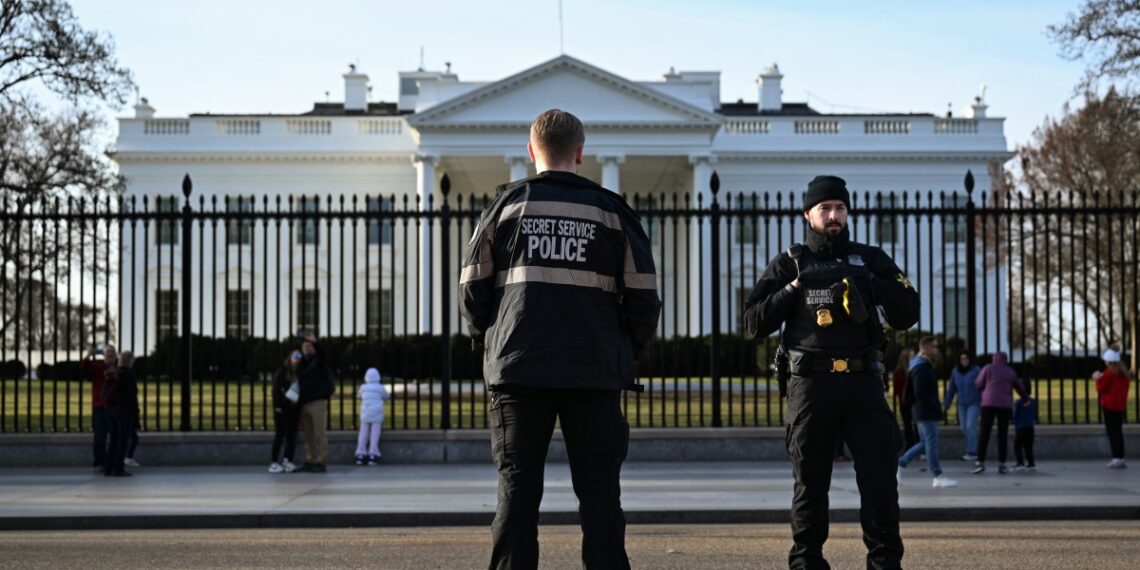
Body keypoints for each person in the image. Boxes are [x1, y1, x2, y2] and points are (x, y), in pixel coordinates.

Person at [460, 109, 661, 570]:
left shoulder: (504, 208)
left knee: (517, 493)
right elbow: (645, 299)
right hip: (593, 372)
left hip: (518, 369)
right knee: (600, 497)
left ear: (531, 152)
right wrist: (621, 349)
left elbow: (472, 292)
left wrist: (491, 342)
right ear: (581, 153)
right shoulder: (612, 212)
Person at [743, 175, 919, 569]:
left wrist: (871, 284)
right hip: (811, 385)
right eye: (825, 208)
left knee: (879, 482)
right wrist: (791, 290)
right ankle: (806, 562)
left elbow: (908, 312)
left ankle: (885, 562)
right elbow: (753, 321)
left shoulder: (870, 258)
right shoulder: (791, 260)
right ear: (808, 214)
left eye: (839, 207)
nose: (833, 215)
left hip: (862, 383)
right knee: (810, 484)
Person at [897, 337, 958, 488]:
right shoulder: (921, 367)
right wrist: (933, 405)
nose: (937, 349)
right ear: (925, 348)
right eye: (934, 347)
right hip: (926, 411)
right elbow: (920, 391)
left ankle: (899, 464)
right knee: (931, 444)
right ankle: (938, 476)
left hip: (923, 410)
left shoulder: (919, 365)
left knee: (925, 443)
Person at [972, 352, 1027, 475]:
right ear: (1005, 360)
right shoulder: (1010, 371)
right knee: (1002, 434)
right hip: (1004, 405)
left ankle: (980, 462)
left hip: (988, 403)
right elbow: (1019, 387)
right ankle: (1001, 464)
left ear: (993, 359)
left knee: (984, 433)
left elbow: (978, 384)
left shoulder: (987, 368)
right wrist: (1025, 399)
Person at [296, 332, 335, 473]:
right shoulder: (303, 364)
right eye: (304, 347)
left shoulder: (318, 362)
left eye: (309, 347)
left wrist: (316, 342)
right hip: (305, 403)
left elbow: (322, 355)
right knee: (309, 435)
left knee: (319, 433)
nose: (306, 349)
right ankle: (311, 459)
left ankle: (320, 461)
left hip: (317, 401)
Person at [80, 344, 117, 472]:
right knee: (100, 436)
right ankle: (99, 462)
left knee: (115, 436)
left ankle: (112, 461)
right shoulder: (99, 367)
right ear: (104, 355)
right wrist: (89, 355)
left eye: (112, 352)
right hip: (100, 405)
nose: (111, 355)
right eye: (108, 353)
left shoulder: (118, 368)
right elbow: (84, 368)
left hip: (114, 406)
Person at [1094, 348, 1131, 469]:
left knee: (1112, 432)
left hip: (1109, 406)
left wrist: (1097, 378)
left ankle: (1116, 457)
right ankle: (1120, 457)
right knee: (1118, 432)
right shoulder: (1123, 373)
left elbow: (1100, 388)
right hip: (1120, 405)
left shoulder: (1109, 373)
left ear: (1109, 362)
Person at [944, 350, 982, 461]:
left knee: (970, 426)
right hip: (961, 403)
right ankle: (970, 449)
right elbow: (951, 389)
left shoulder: (976, 370)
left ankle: (972, 451)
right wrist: (947, 403)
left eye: (966, 358)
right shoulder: (955, 371)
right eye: (962, 359)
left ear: (970, 360)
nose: (964, 361)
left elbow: (981, 386)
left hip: (974, 402)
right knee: (964, 427)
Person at [269, 351, 303, 474]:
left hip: (294, 408)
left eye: (299, 358)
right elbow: (275, 390)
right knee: (280, 435)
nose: (297, 360)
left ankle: (287, 460)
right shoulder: (281, 372)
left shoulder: (300, 373)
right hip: (282, 408)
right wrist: (277, 405)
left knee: (291, 436)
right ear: (290, 359)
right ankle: (273, 462)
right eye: (295, 358)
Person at [101, 356, 131, 477]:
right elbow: (130, 397)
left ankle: (109, 467)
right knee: (122, 441)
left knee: (113, 440)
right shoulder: (127, 375)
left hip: (111, 411)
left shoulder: (112, 375)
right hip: (123, 411)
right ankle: (118, 468)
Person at [355, 367, 389, 466]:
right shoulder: (380, 387)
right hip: (377, 414)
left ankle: (360, 453)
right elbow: (386, 396)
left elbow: (359, 396)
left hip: (365, 414)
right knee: (375, 433)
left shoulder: (363, 387)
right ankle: (373, 454)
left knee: (363, 432)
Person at [118, 351, 141, 470]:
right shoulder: (128, 375)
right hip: (126, 411)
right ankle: (124, 460)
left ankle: (124, 459)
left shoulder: (118, 373)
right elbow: (131, 397)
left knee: (125, 438)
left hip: (119, 411)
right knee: (127, 438)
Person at [890, 349, 917, 450]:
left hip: (905, 402)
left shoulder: (907, 370)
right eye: (912, 356)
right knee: (910, 426)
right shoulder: (902, 372)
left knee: (909, 426)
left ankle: (910, 447)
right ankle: (912, 447)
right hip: (908, 402)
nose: (914, 358)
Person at [1012, 380, 1038, 472]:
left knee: (1017, 446)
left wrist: (1015, 428)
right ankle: (1031, 463)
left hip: (1021, 428)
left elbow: (1016, 416)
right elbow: (1034, 414)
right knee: (1028, 447)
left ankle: (1020, 463)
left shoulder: (1018, 402)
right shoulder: (1034, 401)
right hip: (1030, 427)